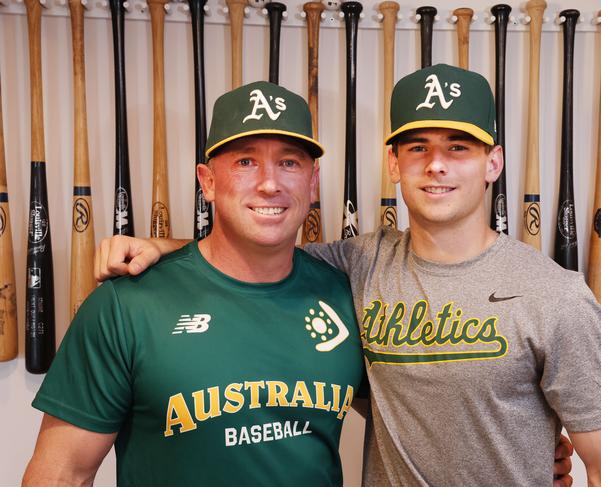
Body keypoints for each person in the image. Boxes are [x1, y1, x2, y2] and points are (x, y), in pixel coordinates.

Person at [93, 65, 601, 486]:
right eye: (418, 148)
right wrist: (160, 246)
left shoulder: (554, 295)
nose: (436, 166)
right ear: (393, 162)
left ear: (493, 163)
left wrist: (533, 451)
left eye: (458, 148)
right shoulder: (358, 265)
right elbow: (255, 245)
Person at [23, 81, 369, 486]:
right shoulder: (127, 306)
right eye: (245, 162)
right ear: (207, 182)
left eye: (289, 162)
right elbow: (62, 474)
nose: (270, 183)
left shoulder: (347, 297)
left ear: (312, 184)